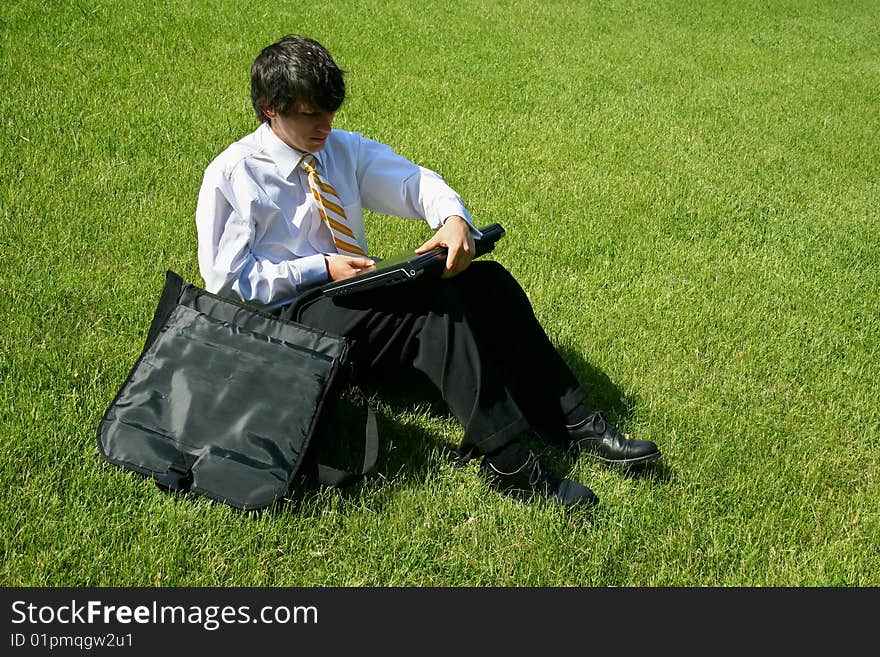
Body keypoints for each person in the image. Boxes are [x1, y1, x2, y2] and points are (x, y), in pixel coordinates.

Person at [195, 35, 661, 508]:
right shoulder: (234, 174)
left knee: (488, 282)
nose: (325, 124)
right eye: (310, 113)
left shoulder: (340, 149)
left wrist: (453, 219)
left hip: (352, 296)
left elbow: (412, 180)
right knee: (433, 312)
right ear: (268, 107)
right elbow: (228, 280)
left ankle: (571, 420)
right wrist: (320, 266)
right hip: (293, 323)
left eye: (331, 110)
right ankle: (507, 461)